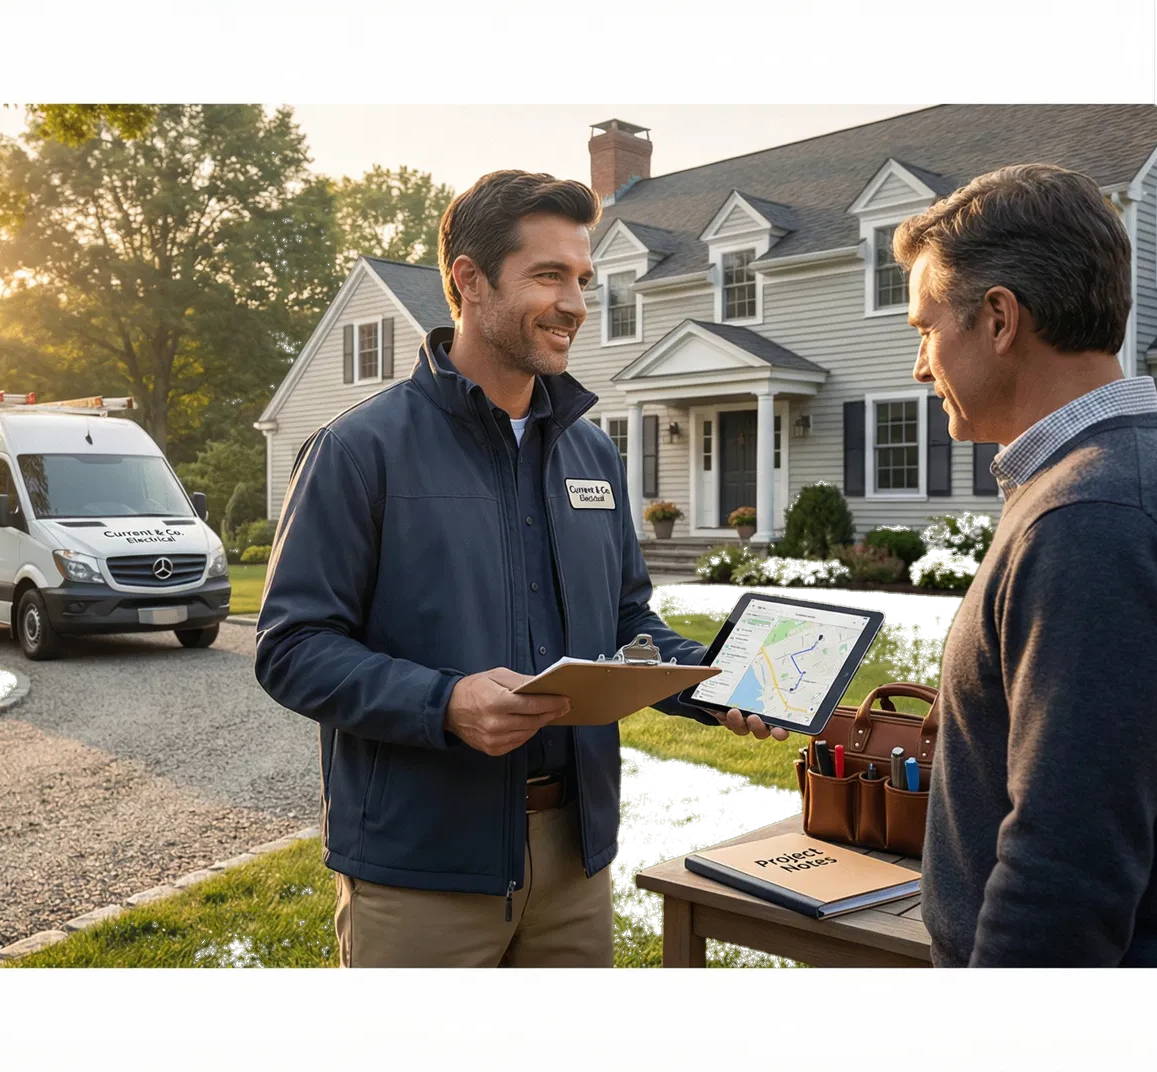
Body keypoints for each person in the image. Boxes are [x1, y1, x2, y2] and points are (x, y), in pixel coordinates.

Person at [254, 170, 783, 968]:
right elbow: (292, 647)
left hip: (575, 863)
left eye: (582, 280)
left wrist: (714, 682)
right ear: (470, 280)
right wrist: (445, 702)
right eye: (548, 275)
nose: (575, 303)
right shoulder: (359, 450)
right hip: (422, 867)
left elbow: (628, 623)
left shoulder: (591, 451)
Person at [894, 163, 1157, 967]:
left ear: (998, 319)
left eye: (925, 328)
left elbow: (1064, 878)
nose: (920, 364)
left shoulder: (1096, 518)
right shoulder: (1155, 475)